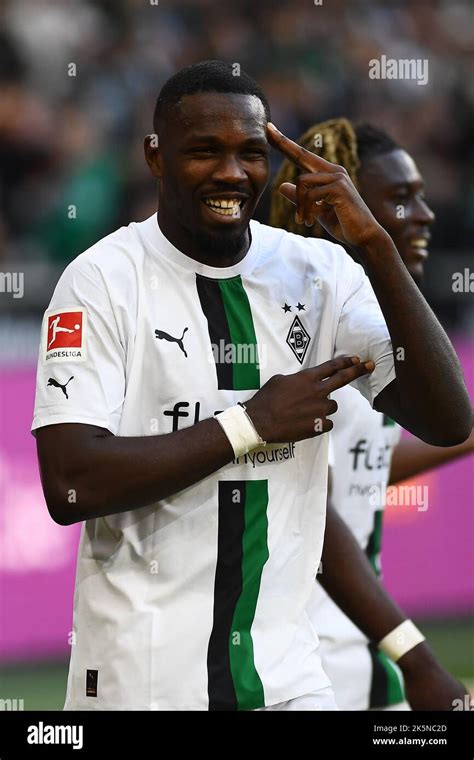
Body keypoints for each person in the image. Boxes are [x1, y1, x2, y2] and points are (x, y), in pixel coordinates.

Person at [32, 62, 471, 711]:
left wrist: (375, 246)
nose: (232, 173)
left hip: (291, 683)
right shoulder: (101, 281)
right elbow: (71, 484)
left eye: (250, 153)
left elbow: (446, 418)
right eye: (205, 151)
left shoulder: (319, 274)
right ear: (155, 156)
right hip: (141, 683)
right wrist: (249, 424)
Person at [270, 118, 473, 710]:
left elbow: (360, 468)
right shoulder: (315, 327)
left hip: (356, 650)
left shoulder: (369, 327)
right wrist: (415, 653)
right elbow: (318, 509)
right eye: (402, 199)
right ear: (343, 208)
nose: (426, 215)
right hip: (316, 655)